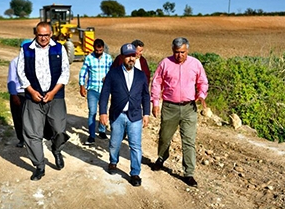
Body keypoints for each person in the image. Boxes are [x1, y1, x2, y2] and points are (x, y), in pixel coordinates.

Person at [150, 37, 208, 188]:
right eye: (176, 52)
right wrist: (155, 103)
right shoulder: (165, 63)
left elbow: (203, 82)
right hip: (170, 107)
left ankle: (189, 173)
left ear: (187, 50)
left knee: (188, 141)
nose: (179, 55)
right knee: (164, 137)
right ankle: (162, 158)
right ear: (172, 51)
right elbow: (156, 82)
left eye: (182, 52)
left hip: (189, 108)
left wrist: (201, 95)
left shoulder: (195, 63)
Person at [17, 22, 70, 181]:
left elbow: (65, 72)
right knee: (32, 133)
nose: (43, 38)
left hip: (56, 97)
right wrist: (31, 91)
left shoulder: (59, 48)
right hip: (33, 97)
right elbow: (21, 72)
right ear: (35, 34)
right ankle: (39, 166)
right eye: (40, 35)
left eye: (46, 35)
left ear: (51, 34)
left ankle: (56, 149)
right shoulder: (26, 49)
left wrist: (53, 92)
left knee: (59, 130)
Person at [99, 43, 151, 187]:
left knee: (135, 145)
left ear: (136, 56)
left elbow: (146, 96)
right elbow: (104, 95)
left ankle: (135, 173)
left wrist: (146, 113)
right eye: (127, 56)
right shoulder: (113, 73)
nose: (130, 59)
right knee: (115, 143)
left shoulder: (141, 76)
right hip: (118, 115)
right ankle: (113, 162)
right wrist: (102, 112)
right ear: (122, 57)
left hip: (135, 115)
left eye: (133, 56)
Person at [79, 38, 114, 145]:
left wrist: (108, 79)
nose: (98, 53)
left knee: (103, 110)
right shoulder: (89, 58)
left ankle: (102, 131)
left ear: (103, 48)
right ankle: (91, 135)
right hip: (92, 90)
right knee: (92, 112)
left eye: (101, 50)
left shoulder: (108, 58)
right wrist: (82, 85)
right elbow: (83, 72)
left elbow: (113, 72)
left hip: (105, 90)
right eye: (97, 50)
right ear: (94, 48)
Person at [7, 55, 26, 148]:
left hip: (33, 94)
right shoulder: (15, 62)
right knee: (18, 118)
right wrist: (14, 95)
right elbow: (11, 79)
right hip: (19, 94)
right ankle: (22, 139)